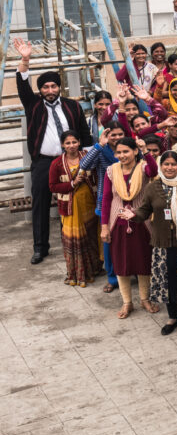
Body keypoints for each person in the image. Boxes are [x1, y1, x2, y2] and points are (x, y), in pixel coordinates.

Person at [15, 38, 92, 264]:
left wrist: (85, 157)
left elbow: (84, 132)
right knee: (40, 203)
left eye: (53, 86)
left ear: (60, 87)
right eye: (45, 87)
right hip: (43, 162)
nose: (50, 90)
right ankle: (41, 247)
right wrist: (25, 59)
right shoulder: (33, 104)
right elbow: (21, 82)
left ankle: (74, 242)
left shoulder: (72, 105)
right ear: (40, 90)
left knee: (74, 201)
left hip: (71, 160)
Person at [131, 150, 177, 335]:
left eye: (173, 164)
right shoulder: (153, 187)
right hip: (163, 244)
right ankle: (172, 317)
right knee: (168, 283)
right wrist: (133, 215)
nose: (169, 167)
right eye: (166, 164)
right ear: (161, 166)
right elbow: (144, 210)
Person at [101, 137, 158, 319]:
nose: (122, 155)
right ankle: (127, 302)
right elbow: (107, 200)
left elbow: (154, 170)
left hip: (141, 221)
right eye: (118, 152)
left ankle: (144, 299)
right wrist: (104, 227)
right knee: (121, 264)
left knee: (143, 261)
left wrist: (146, 152)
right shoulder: (111, 171)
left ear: (135, 151)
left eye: (126, 151)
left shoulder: (143, 168)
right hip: (117, 223)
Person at [48, 130, 101, 286]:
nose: (71, 146)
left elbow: (97, 176)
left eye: (74, 142)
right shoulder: (57, 163)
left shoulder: (87, 156)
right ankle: (77, 274)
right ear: (63, 145)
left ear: (79, 142)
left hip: (88, 204)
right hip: (70, 207)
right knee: (74, 241)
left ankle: (94, 270)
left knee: (91, 236)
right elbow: (52, 186)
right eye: (68, 143)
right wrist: (72, 183)